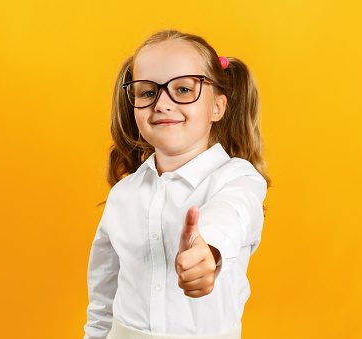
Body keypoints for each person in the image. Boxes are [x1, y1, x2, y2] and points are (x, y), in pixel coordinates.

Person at [83, 29, 272, 339]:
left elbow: (231, 213)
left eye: (183, 89)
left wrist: (207, 251)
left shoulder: (239, 178)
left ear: (217, 107)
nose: (162, 103)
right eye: (147, 93)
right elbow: (103, 299)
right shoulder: (123, 195)